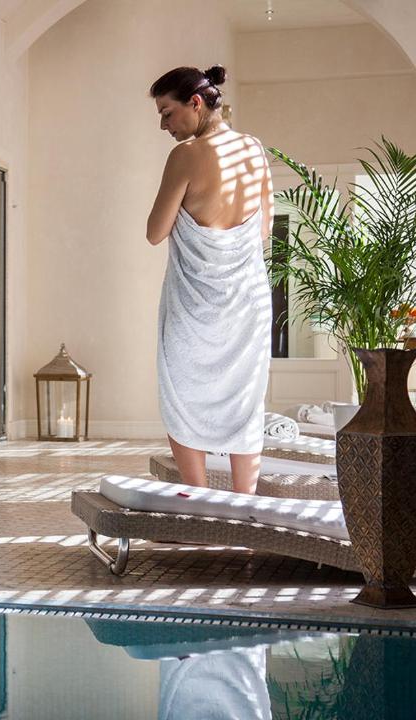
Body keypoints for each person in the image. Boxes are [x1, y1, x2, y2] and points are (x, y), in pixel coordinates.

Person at [146, 65, 274, 494]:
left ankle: (198, 498)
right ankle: (244, 503)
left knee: (182, 397)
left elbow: (155, 232)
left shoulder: (185, 155)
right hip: (247, 300)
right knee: (245, 399)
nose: (163, 125)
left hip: (195, 305)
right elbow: (263, 230)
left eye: (167, 113)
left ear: (195, 103)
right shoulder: (253, 149)